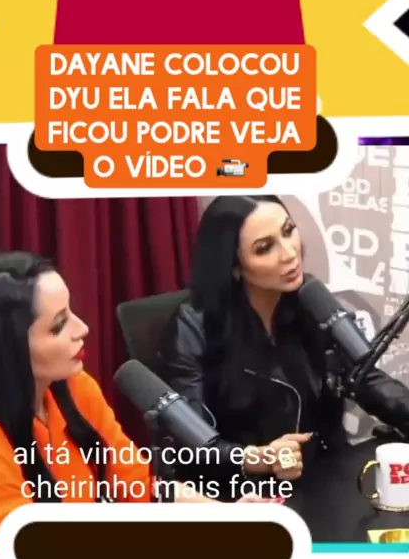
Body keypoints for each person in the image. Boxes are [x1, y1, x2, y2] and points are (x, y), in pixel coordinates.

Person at [0, 251, 245, 553]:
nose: (82, 329)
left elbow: (138, 484)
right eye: (58, 325)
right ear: (6, 349)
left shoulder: (76, 388)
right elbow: (38, 553)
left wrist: (229, 517)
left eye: (71, 312)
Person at [159, 195, 409, 501]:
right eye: (265, 248)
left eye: (288, 231)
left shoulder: (310, 300)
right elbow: (193, 444)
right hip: (242, 496)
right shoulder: (193, 327)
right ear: (234, 267)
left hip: (322, 478)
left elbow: (366, 377)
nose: (290, 253)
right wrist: (257, 459)